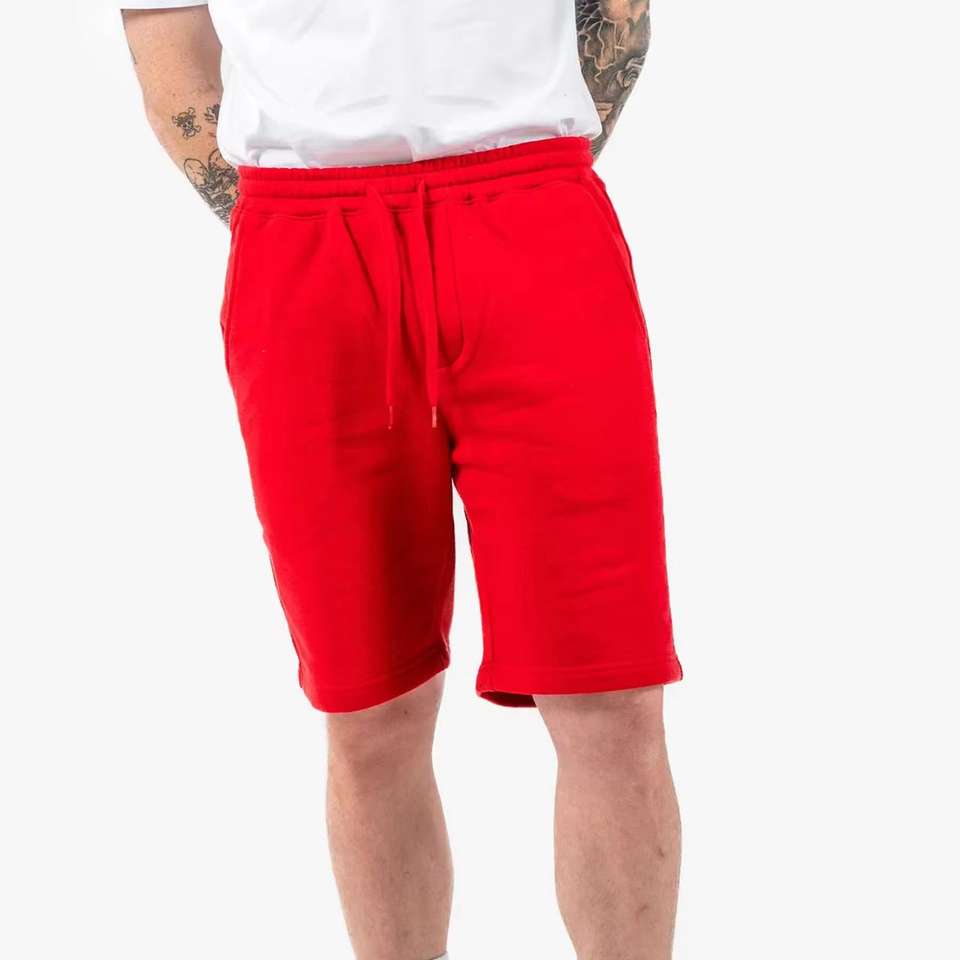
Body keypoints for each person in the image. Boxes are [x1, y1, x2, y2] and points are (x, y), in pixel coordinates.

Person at [120, 2, 683, 957]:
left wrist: (516, 186)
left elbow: (620, 15)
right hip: (305, 240)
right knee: (368, 706)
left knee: (610, 693)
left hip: (533, 213)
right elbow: (169, 51)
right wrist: (292, 222)